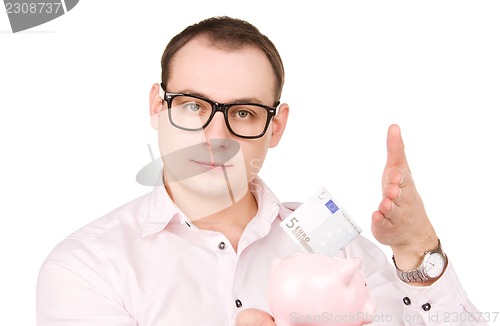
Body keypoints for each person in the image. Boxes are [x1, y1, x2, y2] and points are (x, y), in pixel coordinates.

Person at [36, 16, 486, 326]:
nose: (216, 135)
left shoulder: (324, 228)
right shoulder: (87, 266)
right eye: (193, 106)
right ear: (158, 106)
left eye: (245, 113)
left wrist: (417, 249)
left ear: (277, 126)